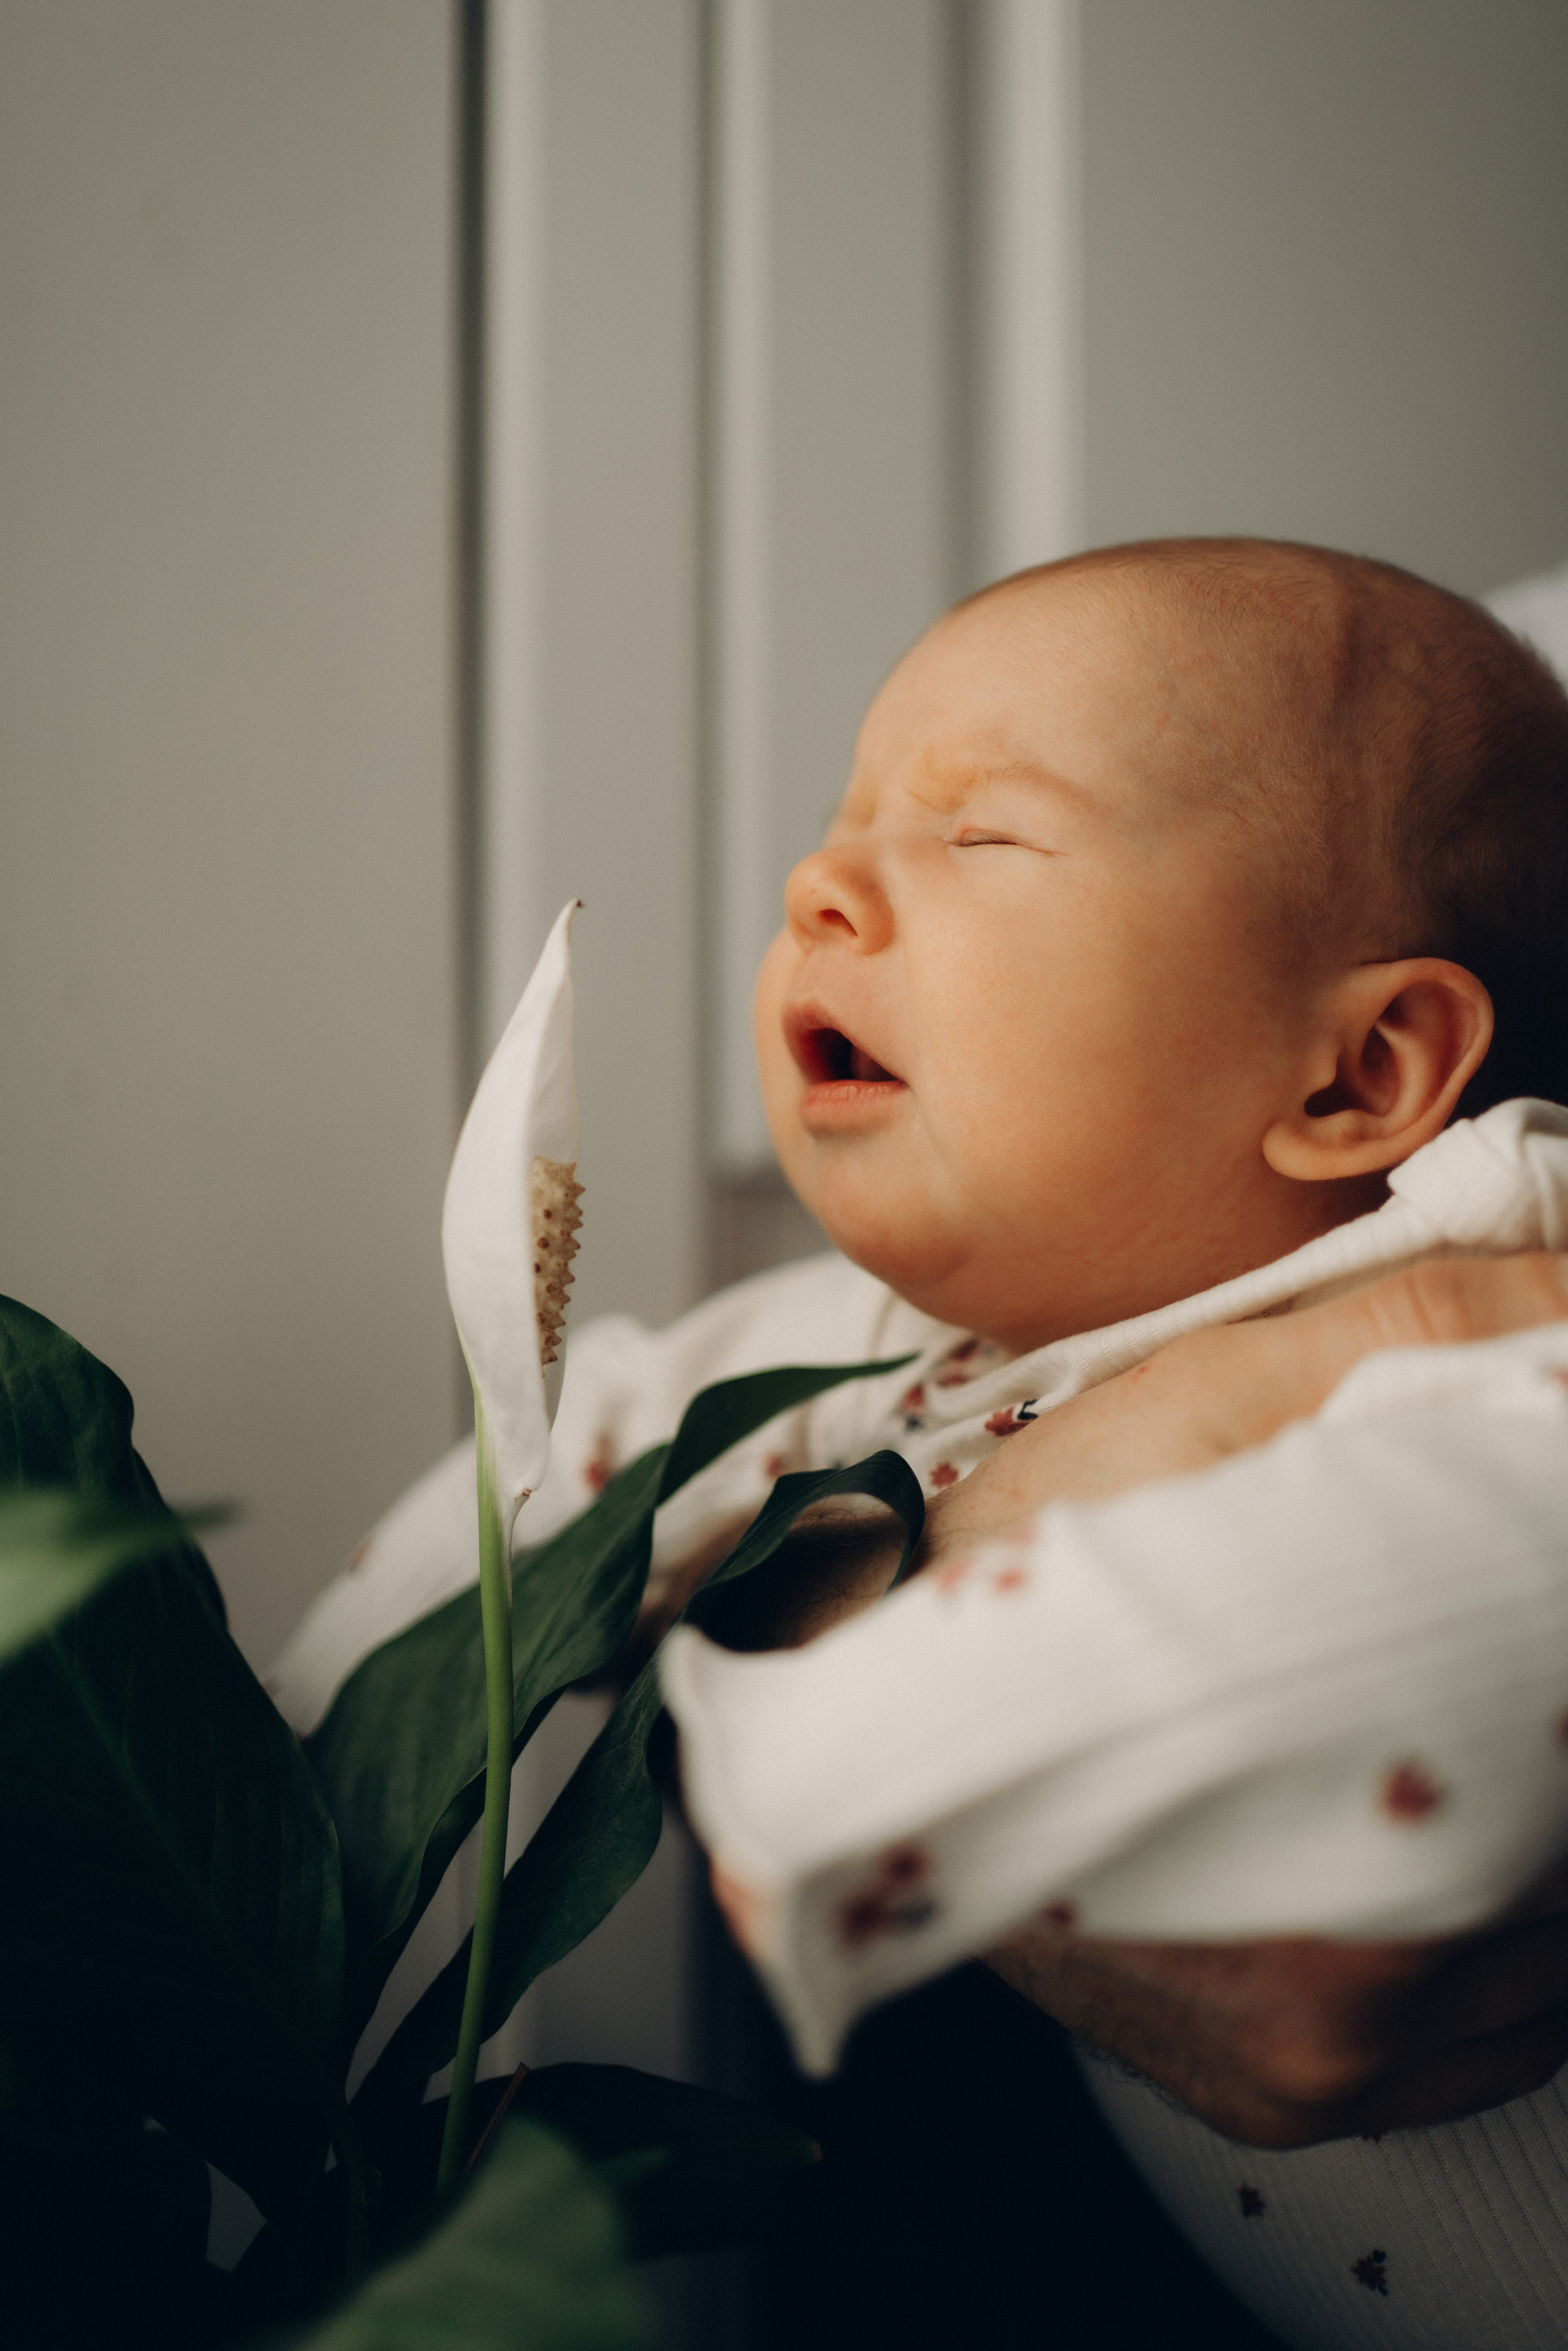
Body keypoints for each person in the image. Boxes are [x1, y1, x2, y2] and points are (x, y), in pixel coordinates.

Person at [275, 539, 1568, 2348]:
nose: (820, 882)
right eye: (842, 822)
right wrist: (249, 1795)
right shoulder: (846, 1354)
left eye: (981, 837)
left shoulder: (1490, 1246)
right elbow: (545, 1502)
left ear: (1357, 1078)